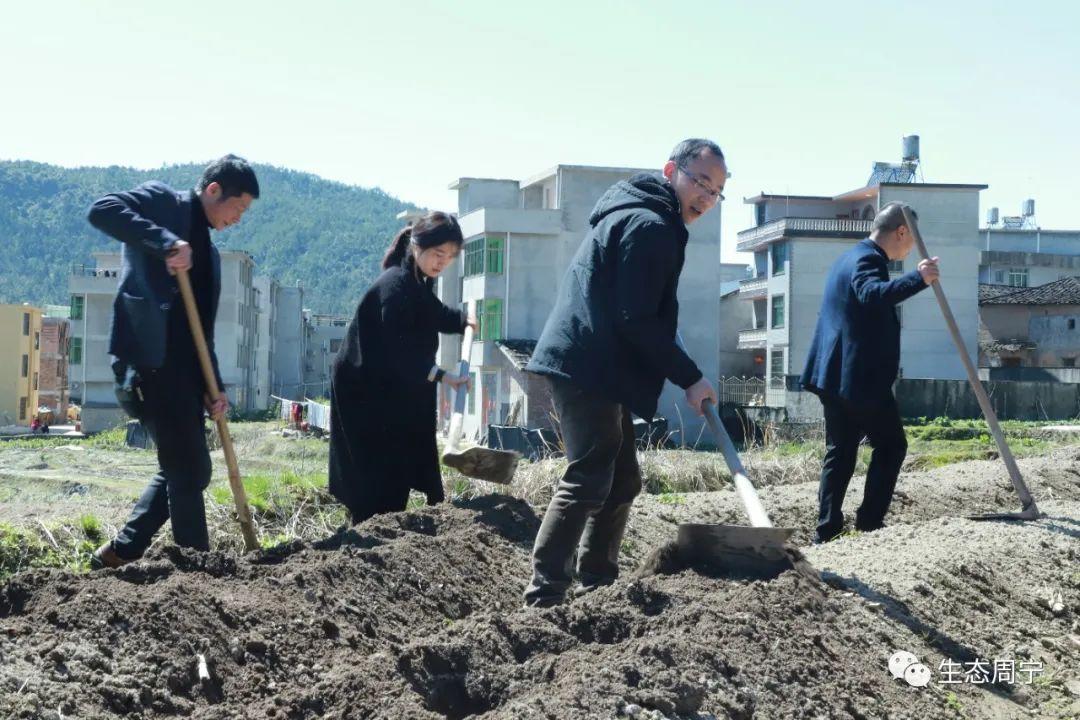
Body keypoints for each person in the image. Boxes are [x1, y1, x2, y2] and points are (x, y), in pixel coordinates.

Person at [523, 139, 726, 607]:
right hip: (587, 363)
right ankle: (545, 593)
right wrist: (690, 378)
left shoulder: (645, 216)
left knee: (622, 479)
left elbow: (640, 316)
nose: (706, 198)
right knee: (590, 475)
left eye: (716, 192)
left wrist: (684, 370)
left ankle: (598, 581)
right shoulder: (650, 225)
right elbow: (636, 319)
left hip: (598, 362)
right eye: (700, 182)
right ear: (672, 170)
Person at [87, 155, 260, 568]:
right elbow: (102, 209)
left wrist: (213, 388)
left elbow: (201, 333)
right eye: (237, 208)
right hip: (145, 365)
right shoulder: (166, 204)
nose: (238, 218)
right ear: (214, 190)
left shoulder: (211, 259)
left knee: (190, 469)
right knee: (187, 470)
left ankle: (122, 551)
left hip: (184, 375)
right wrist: (165, 242)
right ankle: (195, 570)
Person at [800, 202, 940, 544]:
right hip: (859, 379)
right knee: (892, 445)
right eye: (911, 240)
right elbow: (871, 294)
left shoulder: (848, 258)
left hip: (834, 376)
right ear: (902, 232)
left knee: (842, 450)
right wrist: (918, 278)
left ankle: (827, 530)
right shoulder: (867, 260)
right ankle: (869, 523)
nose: (910, 249)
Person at [329, 212, 475, 524]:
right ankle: (369, 533)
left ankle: (386, 525)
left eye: (450, 257)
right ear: (418, 246)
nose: (442, 263)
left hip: (390, 388)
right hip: (363, 392)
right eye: (438, 254)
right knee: (377, 476)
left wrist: (464, 321)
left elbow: (433, 313)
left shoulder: (417, 282)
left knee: (400, 460)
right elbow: (399, 353)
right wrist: (443, 376)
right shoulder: (394, 287)